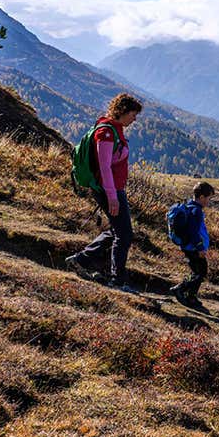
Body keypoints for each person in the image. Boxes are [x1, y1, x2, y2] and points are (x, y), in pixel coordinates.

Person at [65, 93, 143, 293]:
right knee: (124, 235)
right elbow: (105, 166)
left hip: (113, 189)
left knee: (118, 231)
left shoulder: (114, 129)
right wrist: (112, 196)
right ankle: (117, 280)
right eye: (133, 114)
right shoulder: (106, 133)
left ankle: (81, 259)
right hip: (109, 189)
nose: (135, 119)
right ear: (123, 111)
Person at [168, 181, 215, 310]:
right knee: (200, 271)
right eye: (208, 198)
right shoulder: (196, 211)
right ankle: (181, 290)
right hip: (193, 247)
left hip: (190, 246)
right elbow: (193, 231)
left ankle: (191, 296)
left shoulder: (190, 207)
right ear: (201, 197)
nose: (209, 202)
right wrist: (200, 247)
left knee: (198, 271)